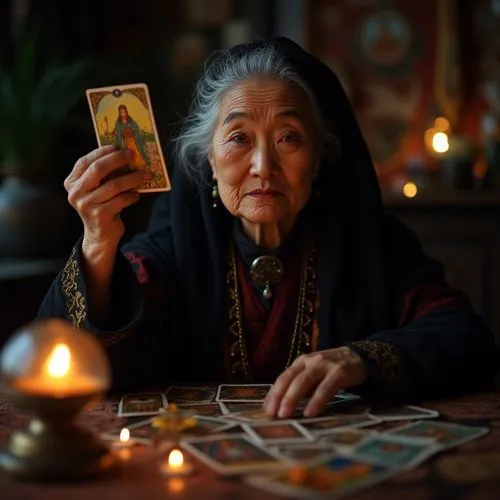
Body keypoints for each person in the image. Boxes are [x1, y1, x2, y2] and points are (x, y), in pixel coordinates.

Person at [38, 37, 499, 419]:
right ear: (209, 162)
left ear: (318, 160)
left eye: (289, 138)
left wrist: (362, 358)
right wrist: (98, 240)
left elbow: (466, 339)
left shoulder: (376, 248)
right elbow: (74, 362)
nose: (263, 166)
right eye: (238, 138)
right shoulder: (171, 255)